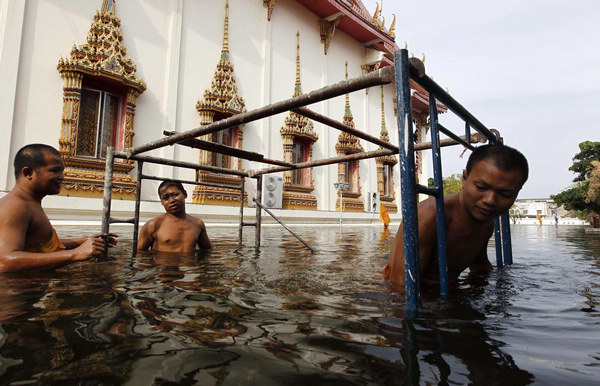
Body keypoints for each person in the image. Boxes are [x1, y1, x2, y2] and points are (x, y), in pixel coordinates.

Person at [384, 144, 528, 288]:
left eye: (505, 194)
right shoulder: (430, 215)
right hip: (405, 293)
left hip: (448, 291)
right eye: (481, 188)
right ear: (464, 178)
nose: (490, 200)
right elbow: (400, 286)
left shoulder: (486, 224)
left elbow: (480, 267)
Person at [0, 144, 116, 272]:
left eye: (61, 171)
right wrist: (75, 254)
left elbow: (43, 244)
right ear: (28, 173)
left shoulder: (30, 203)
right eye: (54, 170)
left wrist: (85, 241)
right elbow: (4, 261)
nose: (62, 177)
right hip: (19, 290)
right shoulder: (15, 207)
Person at [137, 181, 212, 254]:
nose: (171, 201)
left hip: (189, 266)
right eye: (166, 198)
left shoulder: (197, 224)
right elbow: (140, 254)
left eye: (175, 195)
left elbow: (207, 251)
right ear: (161, 202)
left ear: (185, 194)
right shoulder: (153, 225)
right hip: (162, 266)